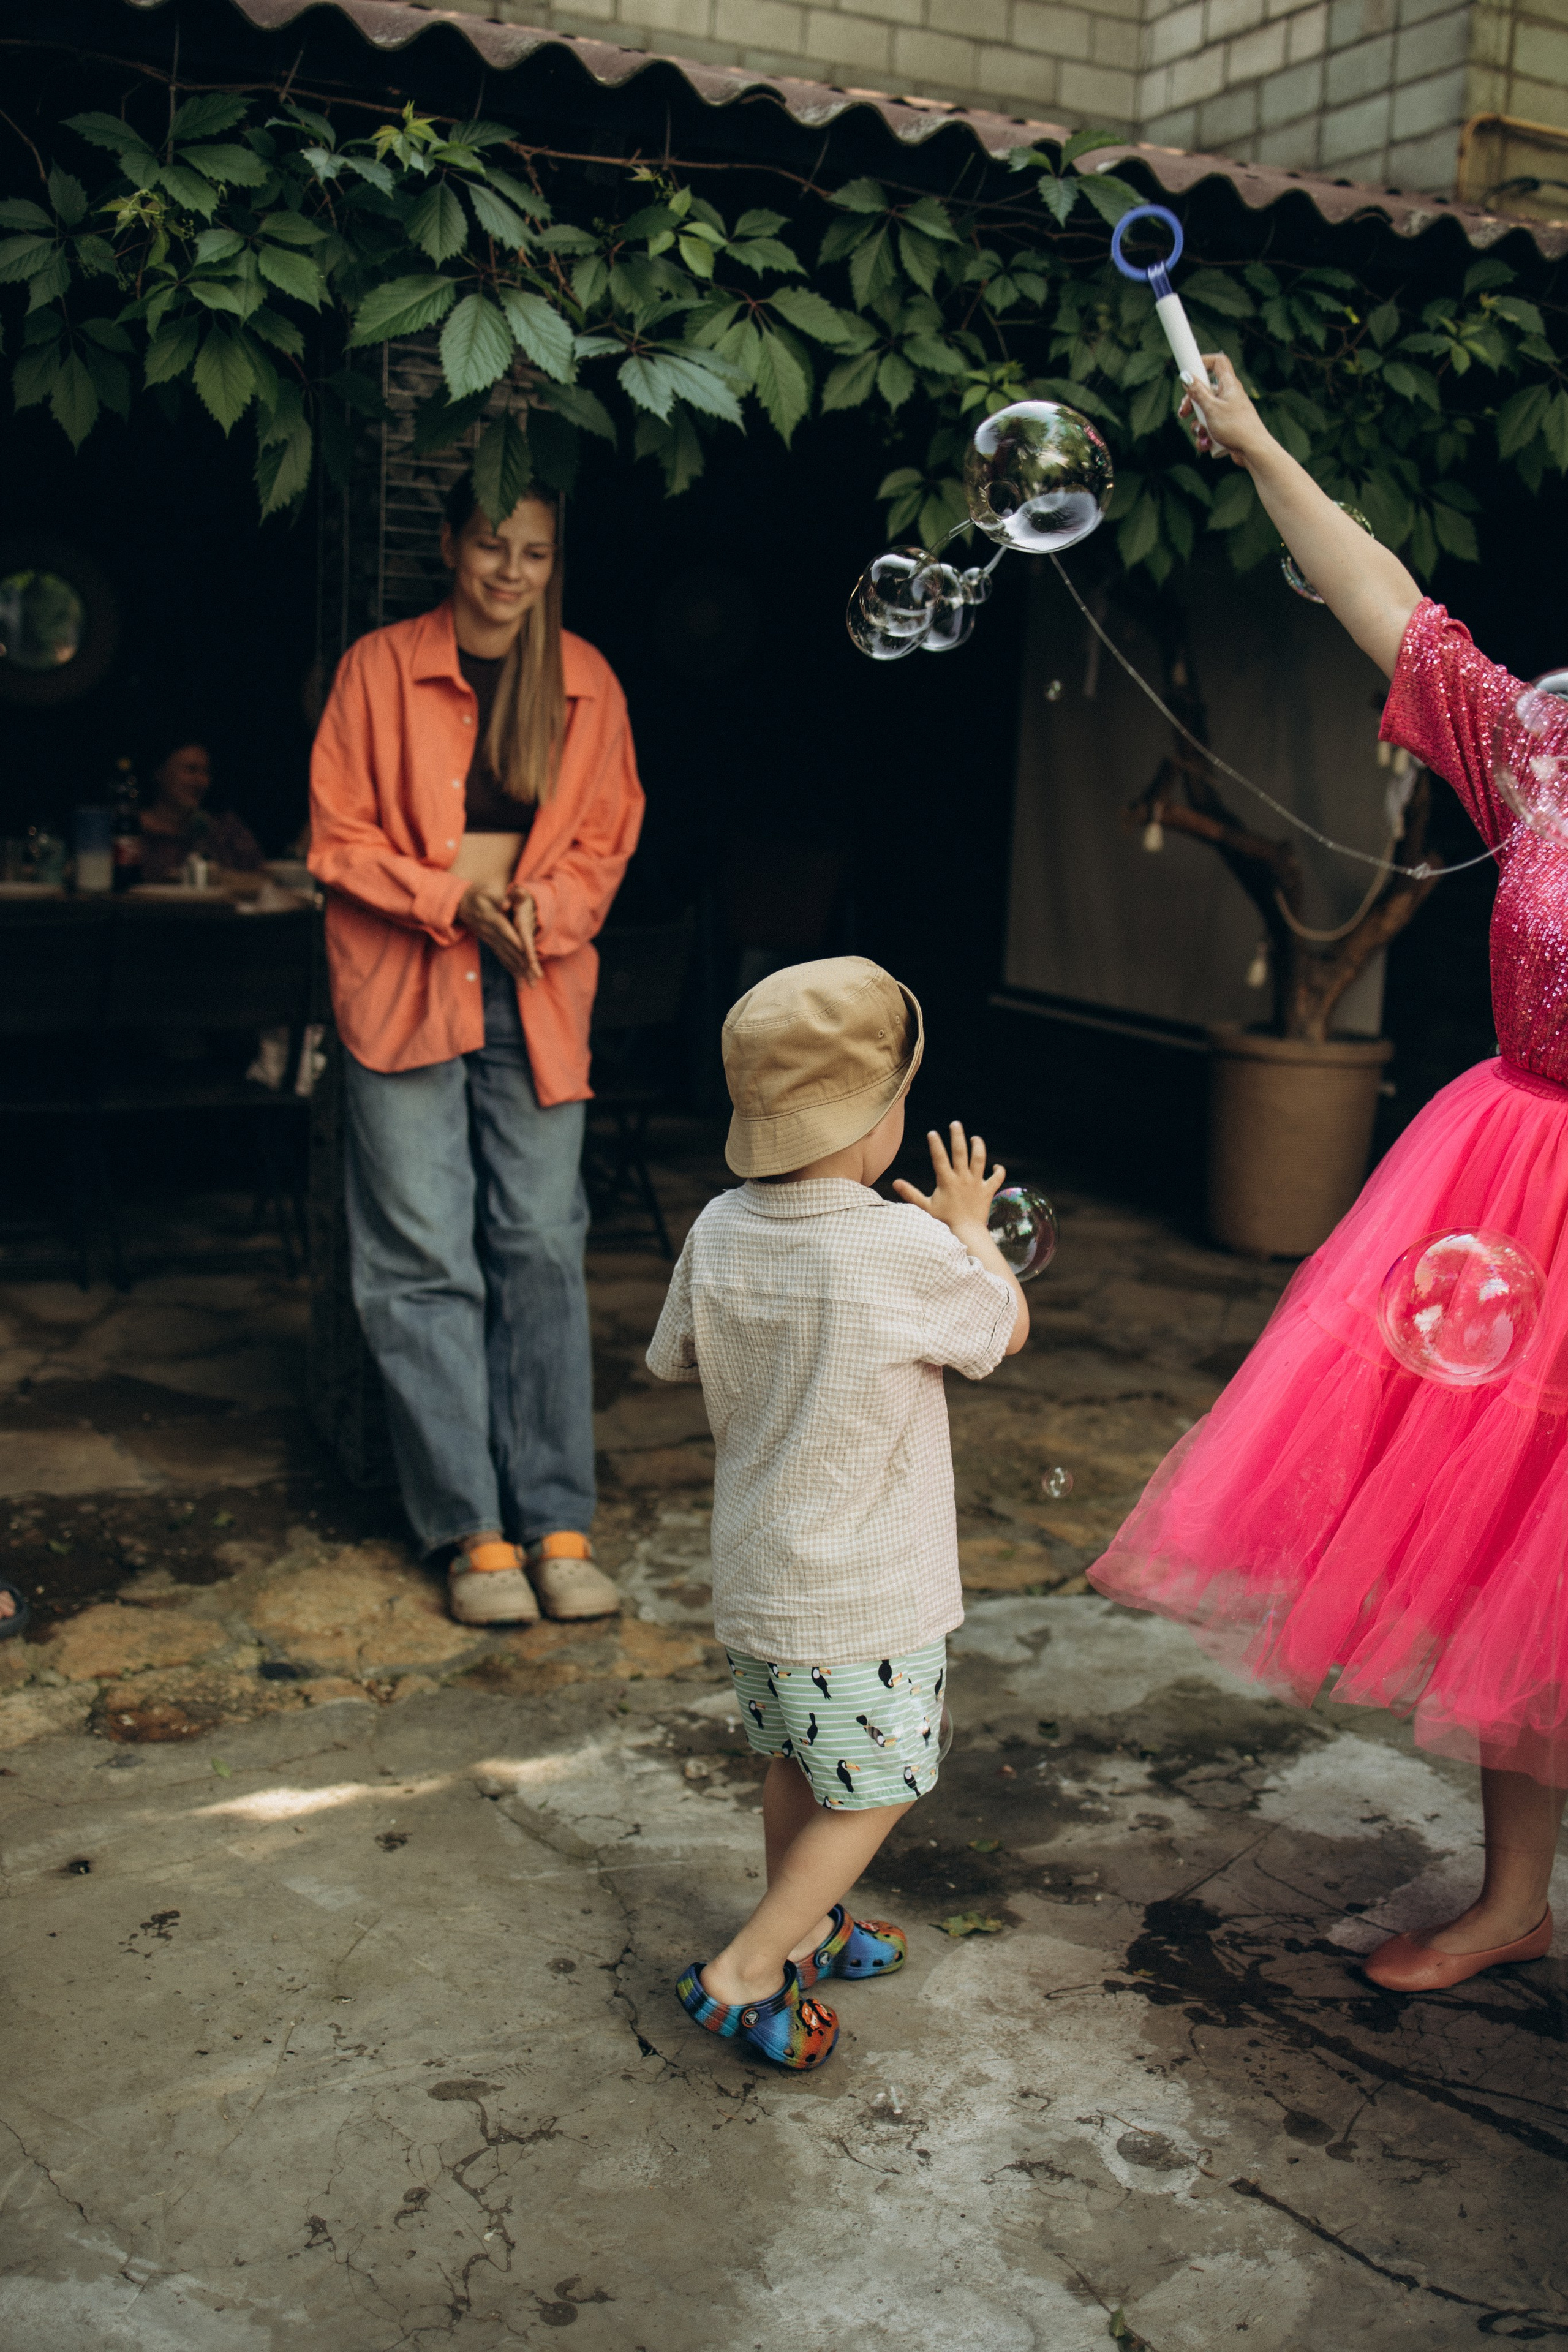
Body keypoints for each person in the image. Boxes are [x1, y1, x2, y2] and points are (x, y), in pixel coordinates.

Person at [1090, 352, 1566, 1994]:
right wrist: (1262, 445)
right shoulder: (1541, 751)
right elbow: (1388, 604)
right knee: (1529, 1554)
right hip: (1514, 1179)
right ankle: (1516, 1901)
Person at [647, 958, 1028, 2068]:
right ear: (879, 1119)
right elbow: (1001, 1331)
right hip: (867, 1597)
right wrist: (972, 1231)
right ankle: (746, 1967)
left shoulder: (717, 1227)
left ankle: (807, 1926)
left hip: (760, 1580)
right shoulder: (900, 1245)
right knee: (882, 1789)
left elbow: (674, 1355)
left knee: (798, 1765)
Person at [309, 471, 641, 1627]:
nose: (511, 572)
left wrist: (537, 911)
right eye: (493, 547)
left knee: (542, 1244)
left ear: (555, 567)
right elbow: (337, 839)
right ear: (452, 547)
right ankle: (473, 1532)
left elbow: (604, 843)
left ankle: (558, 1520)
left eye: (536, 555)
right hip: (407, 975)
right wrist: (455, 903)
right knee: (419, 1262)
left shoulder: (588, 681)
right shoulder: (377, 669)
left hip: (536, 982)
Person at [140, 741, 267, 889]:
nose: (202, 782)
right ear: (159, 773)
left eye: (206, 772)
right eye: (191, 770)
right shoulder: (130, 832)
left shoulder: (225, 830)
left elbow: (262, 877)